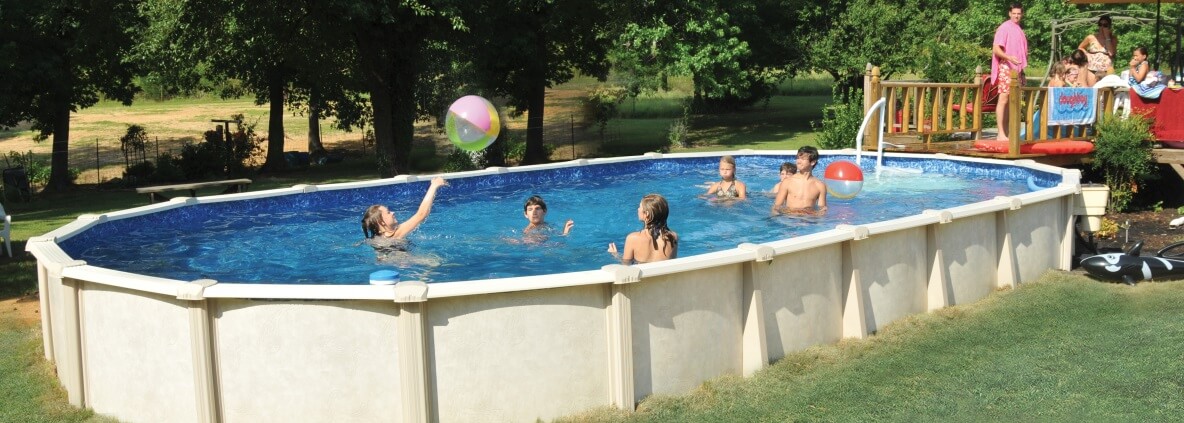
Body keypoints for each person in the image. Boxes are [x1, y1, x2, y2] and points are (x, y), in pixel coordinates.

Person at [361, 177, 449, 242]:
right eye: (388, 212)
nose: (392, 212)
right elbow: (422, 214)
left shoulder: (373, 240)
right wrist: (434, 186)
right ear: (381, 222)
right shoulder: (396, 234)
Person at [991, 3, 1029, 142]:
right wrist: (1008, 57)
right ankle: (1000, 133)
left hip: (1016, 70)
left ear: (1022, 14)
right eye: (1014, 13)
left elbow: (1021, 53)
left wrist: (1022, 70)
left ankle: (1006, 132)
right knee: (1003, 98)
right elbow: (996, 49)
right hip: (1006, 67)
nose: (1016, 16)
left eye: (1019, 13)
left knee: (1011, 100)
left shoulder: (1019, 29)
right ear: (1009, 13)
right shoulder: (1004, 28)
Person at [607, 194, 678, 264]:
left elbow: (626, 266)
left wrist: (615, 255)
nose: (638, 209)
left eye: (639, 207)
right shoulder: (673, 237)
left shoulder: (632, 238)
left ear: (646, 214)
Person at [772, 146, 827, 215]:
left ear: (813, 162)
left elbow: (822, 210)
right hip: (790, 219)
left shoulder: (820, 186)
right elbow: (776, 206)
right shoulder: (788, 182)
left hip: (809, 221)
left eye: (803, 159)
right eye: (797, 158)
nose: (798, 161)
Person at [1077, 14, 1117, 81]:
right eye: (1100, 24)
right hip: (1091, 68)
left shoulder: (1113, 39)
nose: (1102, 27)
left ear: (1109, 26)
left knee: (1105, 89)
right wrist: (1086, 54)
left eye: (1105, 25)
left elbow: (1111, 53)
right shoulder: (1091, 37)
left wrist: (1107, 37)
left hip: (1106, 69)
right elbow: (1080, 47)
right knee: (1092, 88)